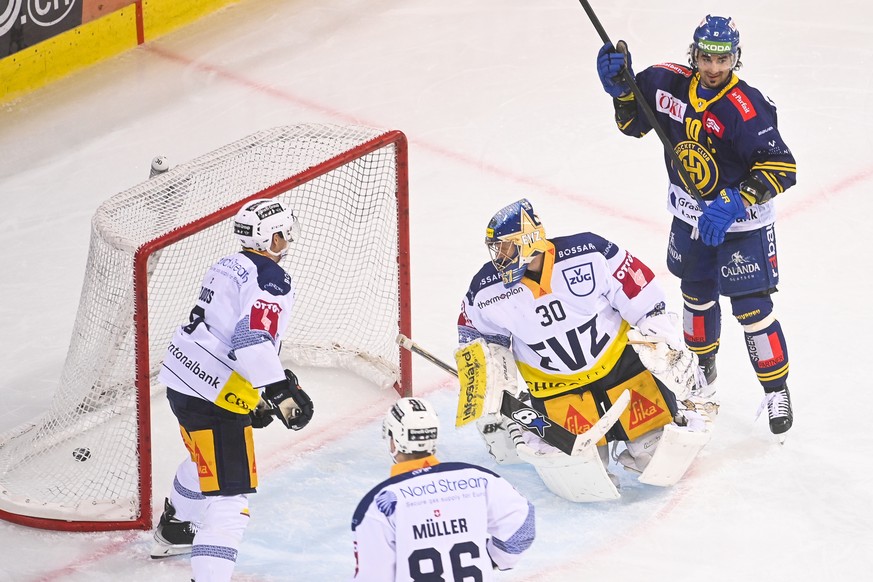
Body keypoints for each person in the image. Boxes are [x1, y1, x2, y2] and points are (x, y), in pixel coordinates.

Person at [595, 15, 796, 435]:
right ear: (695, 53)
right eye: (706, 58)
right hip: (689, 215)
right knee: (695, 294)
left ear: (735, 58)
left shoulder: (747, 107)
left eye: (723, 60)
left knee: (752, 308)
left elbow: (781, 167)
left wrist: (736, 199)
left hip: (740, 224)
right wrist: (622, 91)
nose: (714, 68)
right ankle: (703, 367)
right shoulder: (665, 82)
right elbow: (634, 124)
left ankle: (775, 389)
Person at [456, 198, 709, 501]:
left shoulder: (589, 253)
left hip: (622, 370)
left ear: (528, 241)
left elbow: (641, 294)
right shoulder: (485, 290)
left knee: (662, 460)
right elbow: (477, 339)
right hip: (555, 388)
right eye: (496, 249)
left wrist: (663, 341)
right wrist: (492, 380)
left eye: (506, 247)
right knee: (580, 480)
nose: (500, 258)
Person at [150, 198, 315, 581]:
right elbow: (251, 338)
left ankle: (175, 530)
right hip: (212, 393)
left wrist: (251, 395)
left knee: (202, 459)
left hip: (185, 377)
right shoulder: (271, 277)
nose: (287, 240)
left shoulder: (227, 263)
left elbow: (225, 331)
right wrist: (279, 392)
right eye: (283, 234)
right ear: (271, 238)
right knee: (229, 498)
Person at [350, 397, 535, 581]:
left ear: (393, 441)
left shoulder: (380, 504)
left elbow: (373, 576)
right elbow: (521, 529)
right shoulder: (479, 480)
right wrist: (493, 559)